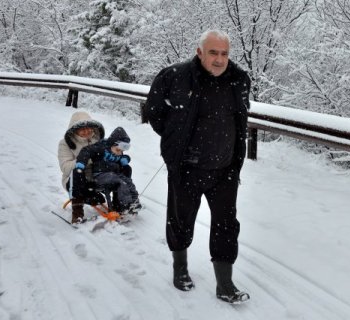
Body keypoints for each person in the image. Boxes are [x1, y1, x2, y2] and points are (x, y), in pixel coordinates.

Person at [145, 29, 251, 303]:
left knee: (227, 226)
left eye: (224, 53)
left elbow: (240, 121)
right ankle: (180, 268)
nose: (219, 59)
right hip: (187, 168)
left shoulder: (238, 80)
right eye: (213, 52)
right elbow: (154, 112)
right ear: (199, 52)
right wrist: (175, 142)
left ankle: (224, 283)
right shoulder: (175, 76)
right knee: (180, 220)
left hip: (225, 169)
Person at [74, 126, 142, 214]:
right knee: (120, 181)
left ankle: (134, 203)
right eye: (118, 150)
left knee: (128, 182)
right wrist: (81, 163)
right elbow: (86, 151)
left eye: (121, 151)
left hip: (113, 175)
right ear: (112, 144)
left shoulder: (117, 151)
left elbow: (123, 156)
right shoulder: (100, 148)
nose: (119, 153)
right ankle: (126, 205)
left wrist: (125, 158)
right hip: (99, 176)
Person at [58, 111, 106, 223]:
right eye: (82, 129)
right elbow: (65, 167)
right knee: (77, 172)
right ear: (74, 130)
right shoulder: (65, 144)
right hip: (74, 180)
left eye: (89, 127)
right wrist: (86, 159)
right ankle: (77, 214)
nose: (87, 131)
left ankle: (121, 204)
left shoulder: (98, 140)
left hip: (94, 177)